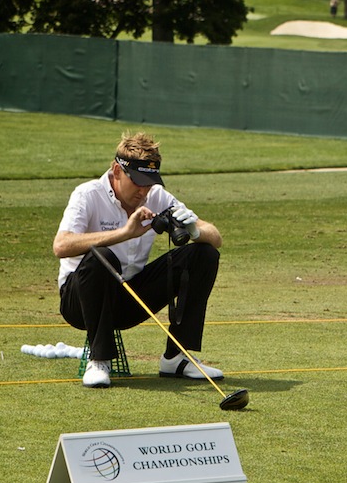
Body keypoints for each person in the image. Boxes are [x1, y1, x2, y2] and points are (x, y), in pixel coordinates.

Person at [53, 132, 224, 388]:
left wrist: (195, 230)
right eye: (138, 182)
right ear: (116, 170)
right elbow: (61, 245)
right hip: (79, 301)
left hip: (130, 299)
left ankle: (177, 357)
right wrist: (124, 233)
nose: (144, 190)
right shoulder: (87, 194)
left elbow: (216, 238)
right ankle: (99, 359)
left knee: (204, 253)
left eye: (150, 181)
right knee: (103, 255)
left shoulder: (157, 195)